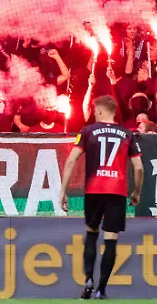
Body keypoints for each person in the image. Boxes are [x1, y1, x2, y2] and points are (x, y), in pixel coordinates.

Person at [59, 95, 143, 300]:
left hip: (93, 190)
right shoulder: (127, 134)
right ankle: (101, 289)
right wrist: (136, 192)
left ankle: (88, 280)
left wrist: (63, 191)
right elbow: (139, 167)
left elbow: (70, 161)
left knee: (91, 233)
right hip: (116, 192)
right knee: (111, 238)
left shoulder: (87, 131)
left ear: (99, 111)